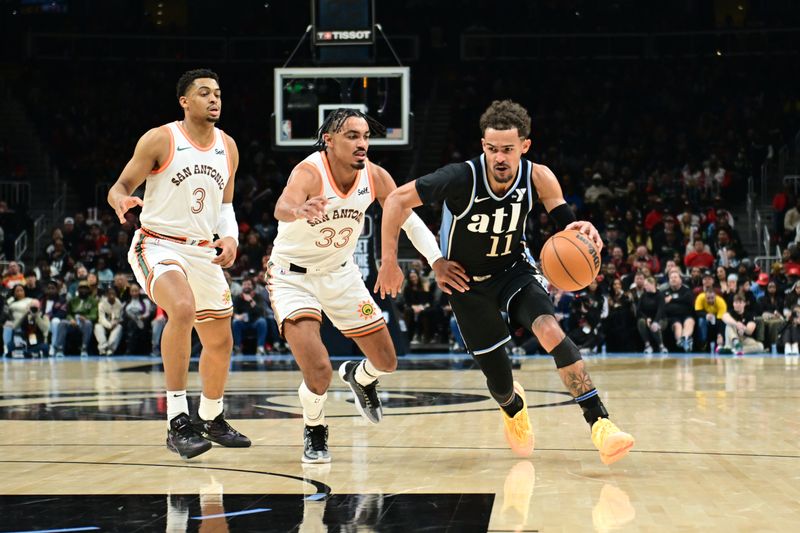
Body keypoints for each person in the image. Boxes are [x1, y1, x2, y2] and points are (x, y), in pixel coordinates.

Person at [377, 100, 634, 464]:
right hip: (466, 284)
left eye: (508, 150)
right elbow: (395, 200)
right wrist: (403, 261)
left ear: (524, 146)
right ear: (483, 145)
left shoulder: (538, 176)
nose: (499, 157)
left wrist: (580, 228)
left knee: (549, 330)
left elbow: (566, 223)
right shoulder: (460, 177)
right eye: (492, 148)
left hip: (514, 270)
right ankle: (513, 406)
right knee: (499, 385)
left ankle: (601, 424)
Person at [269, 108, 443, 463]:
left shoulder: (376, 177)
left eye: (365, 136)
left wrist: (437, 260)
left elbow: (409, 221)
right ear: (329, 141)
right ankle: (315, 428)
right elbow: (282, 204)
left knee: (387, 360)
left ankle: (360, 376)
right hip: (293, 277)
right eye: (352, 136)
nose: (362, 143)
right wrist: (298, 210)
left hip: (340, 273)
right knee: (318, 370)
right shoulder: (309, 172)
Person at [107, 68, 249, 459]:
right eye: (204, 93)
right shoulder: (161, 138)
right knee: (182, 309)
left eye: (217, 93)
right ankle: (177, 421)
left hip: (203, 250)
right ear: (185, 101)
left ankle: (212, 417)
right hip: (157, 244)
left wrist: (231, 236)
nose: (214, 99)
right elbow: (118, 187)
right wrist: (121, 201)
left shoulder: (228, 146)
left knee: (220, 340)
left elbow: (225, 206)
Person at [95, 287, 124, 355]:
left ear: (116, 295)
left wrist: (114, 323)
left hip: (114, 324)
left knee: (119, 327)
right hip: (104, 324)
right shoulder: (101, 304)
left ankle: (111, 348)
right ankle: (103, 348)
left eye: (113, 294)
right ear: (106, 295)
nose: (112, 295)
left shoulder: (119, 304)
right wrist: (109, 325)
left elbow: (118, 317)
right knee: (97, 327)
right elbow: (101, 318)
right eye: (110, 294)